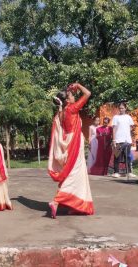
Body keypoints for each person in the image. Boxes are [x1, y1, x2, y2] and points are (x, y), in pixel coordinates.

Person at [48, 83, 94, 218]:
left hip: (68, 141)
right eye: (72, 96)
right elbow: (88, 93)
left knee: (75, 174)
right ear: (67, 100)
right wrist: (79, 85)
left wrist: (70, 90)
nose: (74, 97)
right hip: (75, 143)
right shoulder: (72, 108)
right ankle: (57, 201)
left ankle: (75, 205)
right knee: (75, 174)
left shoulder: (62, 112)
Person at [112, 102, 136, 178]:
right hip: (118, 139)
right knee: (117, 156)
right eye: (120, 108)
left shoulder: (128, 117)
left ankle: (129, 172)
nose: (121, 109)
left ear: (125, 108)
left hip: (127, 140)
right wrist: (114, 139)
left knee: (127, 156)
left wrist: (132, 138)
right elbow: (114, 128)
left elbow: (132, 128)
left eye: (122, 108)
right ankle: (116, 172)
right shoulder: (116, 117)